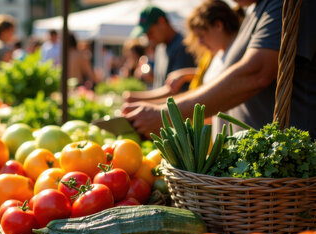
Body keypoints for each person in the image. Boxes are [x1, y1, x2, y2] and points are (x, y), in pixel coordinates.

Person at [123, 0, 315, 140]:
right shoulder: (255, 11)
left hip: (280, 174)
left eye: (202, 35)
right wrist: (158, 109)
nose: (200, 42)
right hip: (251, 174)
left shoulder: (287, 4)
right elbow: (221, 82)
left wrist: (165, 115)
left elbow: (256, 73)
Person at [125, 0, 241, 105]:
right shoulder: (160, 48)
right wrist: (188, 74)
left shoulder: (182, 47)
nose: (200, 43)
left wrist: (141, 101)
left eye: (201, 36)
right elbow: (210, 79)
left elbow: (179, 92)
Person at [130, 6, 196, 90]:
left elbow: (177, 93)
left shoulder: (183, 47)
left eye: (150, 32)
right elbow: (162, 85)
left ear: (162, 22)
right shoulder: (160, 47)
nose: (148, 38)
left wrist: (136, 98)